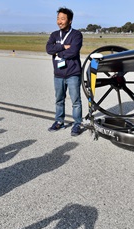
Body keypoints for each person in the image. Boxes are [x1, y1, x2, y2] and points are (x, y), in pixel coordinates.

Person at [46, 7, 83, 136]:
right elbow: (49, 49)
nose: (59, 21)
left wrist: (58, 51)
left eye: (62, 19)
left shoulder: (76, 34)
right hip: (58, 74)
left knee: (75, 101)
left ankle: (77, 123)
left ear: (70, 20)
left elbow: (73, 52)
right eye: (58, 18)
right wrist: (62, 46)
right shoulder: (54, 35)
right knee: (59, 100)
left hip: (73, 73)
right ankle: (59, 121)